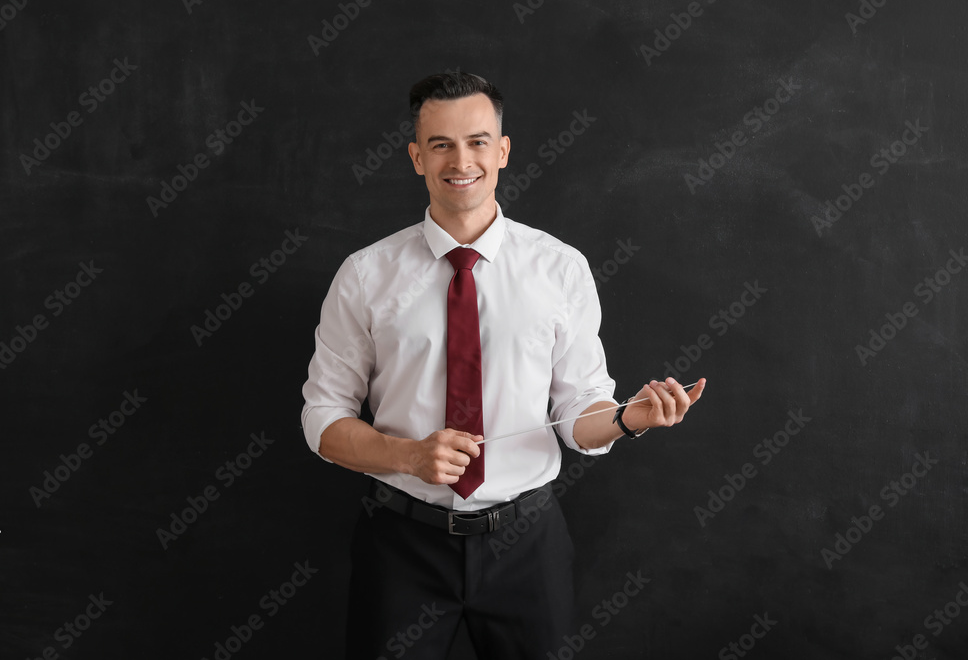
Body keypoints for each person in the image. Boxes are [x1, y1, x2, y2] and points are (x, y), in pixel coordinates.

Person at [301, 71, 705, 659]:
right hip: (402, 545)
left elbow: (576, 416)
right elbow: (323, 420)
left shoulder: (561, 268)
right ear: (417, 157)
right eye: (440, 144)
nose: (460, 160)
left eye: (477, 141)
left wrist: (628, 418)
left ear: (503, 151)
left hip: (527, 546)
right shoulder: (365, 274)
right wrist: (409, 456)